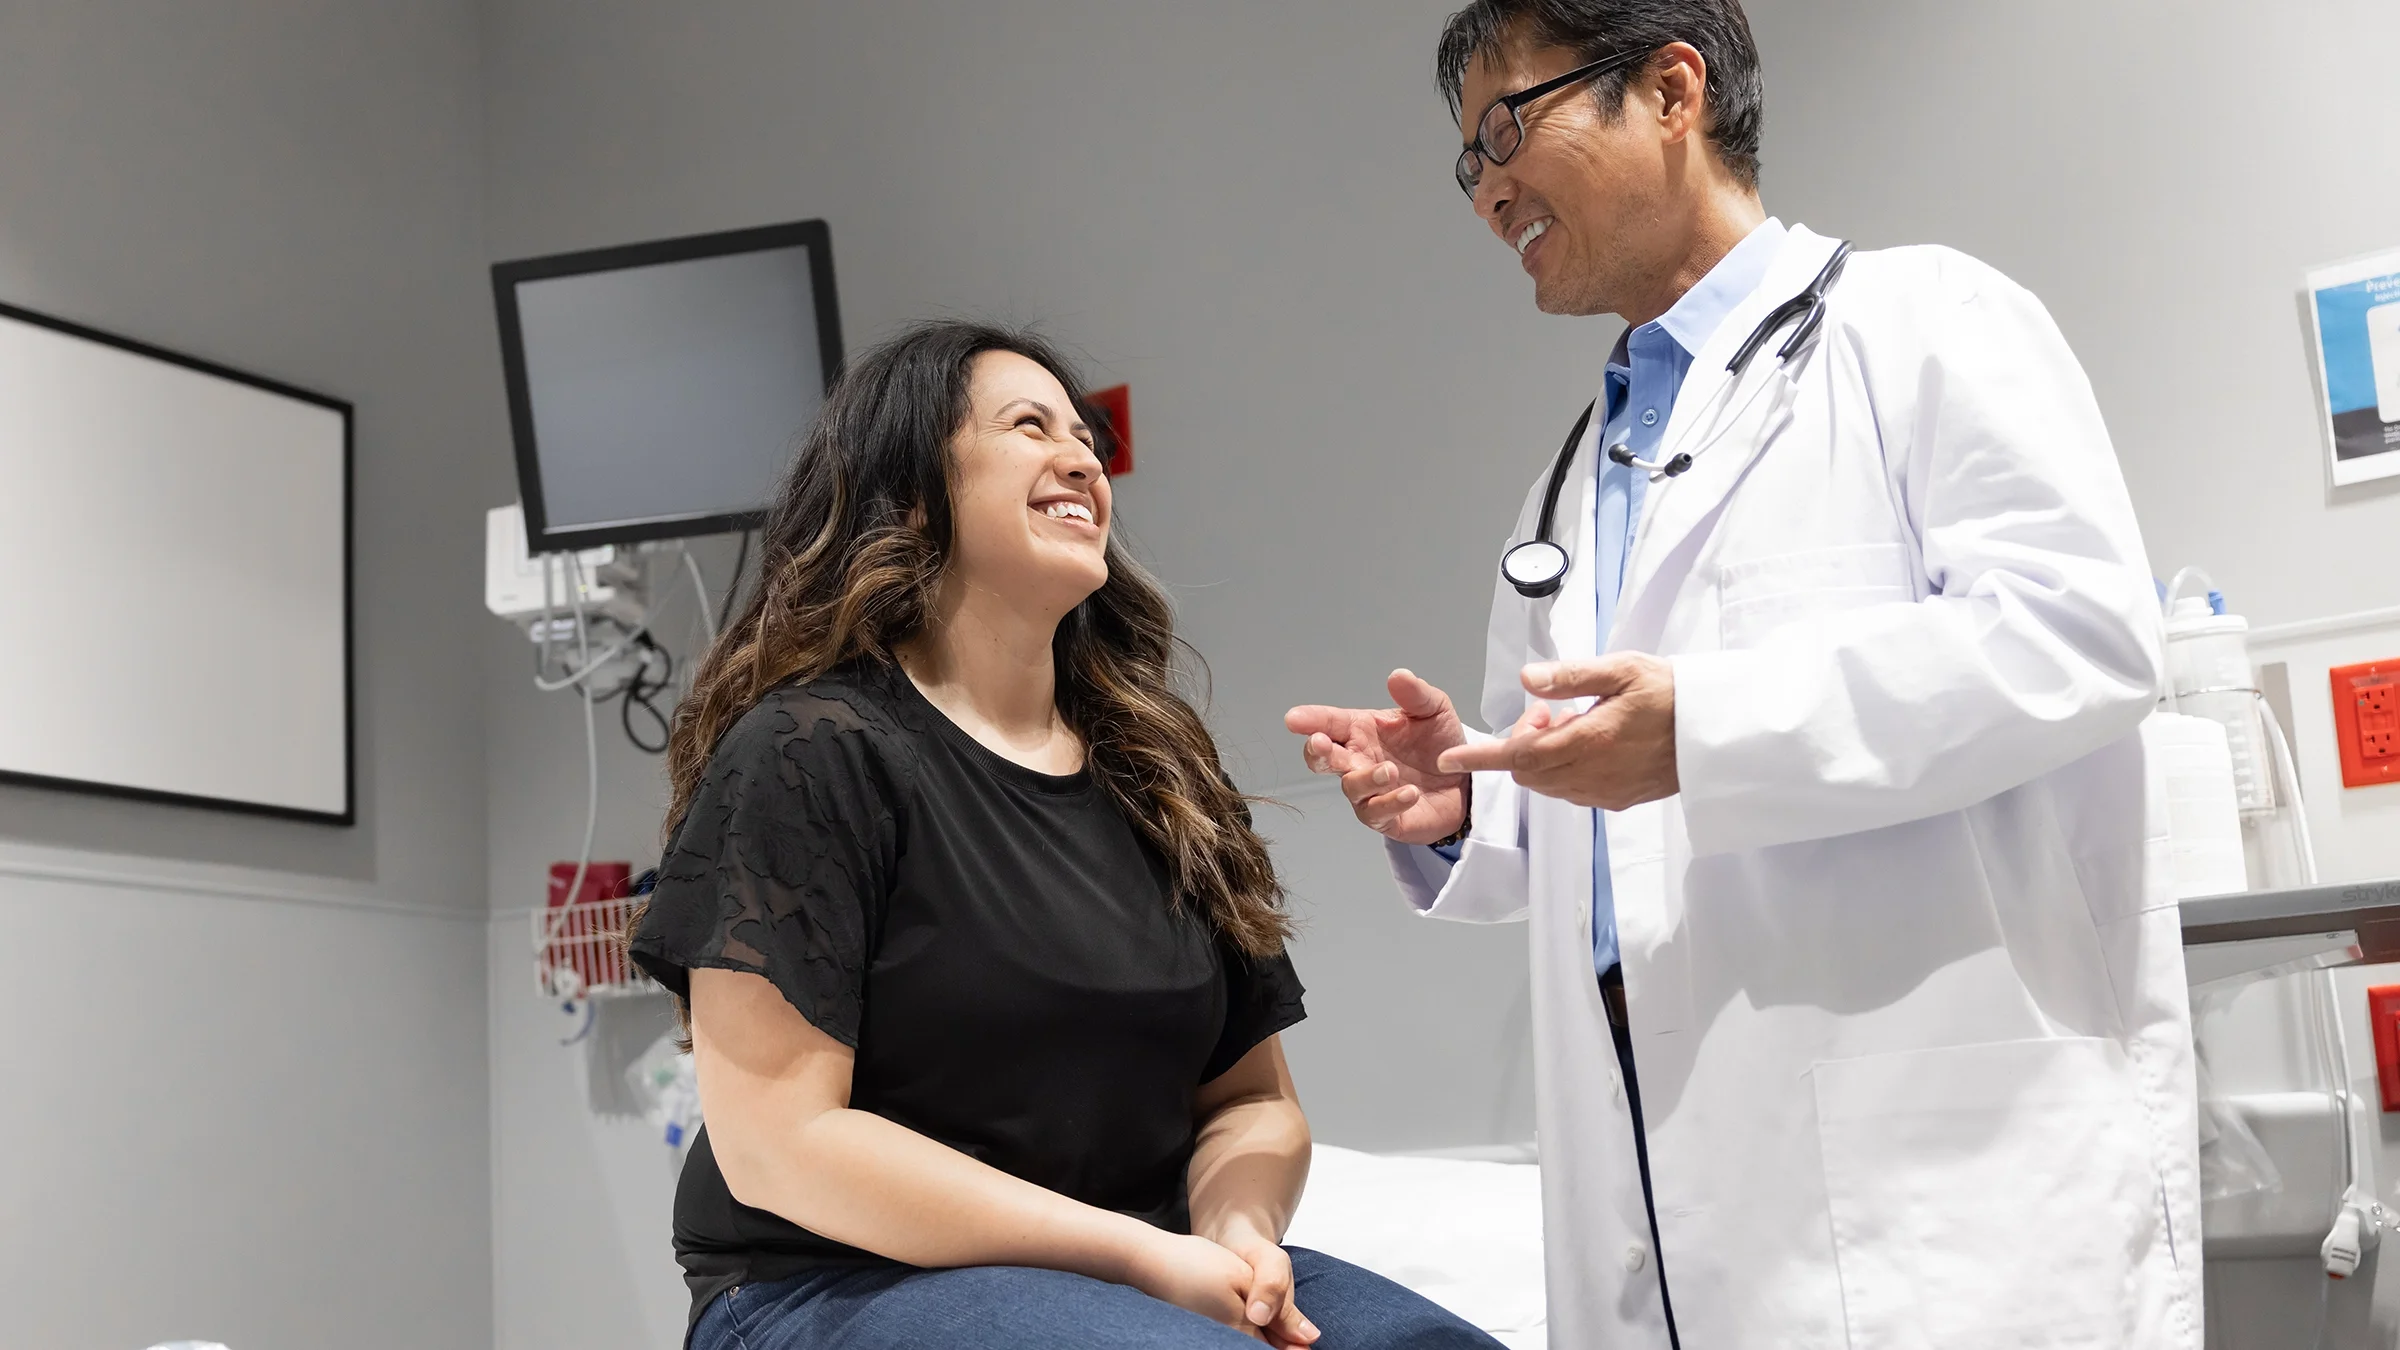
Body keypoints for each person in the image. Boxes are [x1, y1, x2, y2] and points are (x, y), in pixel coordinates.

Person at [1285, 4, 2200, 1347]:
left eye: (1506, 126)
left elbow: (2083, 634)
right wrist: (1471, 802)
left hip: (1941, 1191)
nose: (1485, 188)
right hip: (1673, 1197)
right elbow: (1607, 826)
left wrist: (1706, 728)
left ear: (1671, 90)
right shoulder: (1569, 481)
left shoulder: (1921, 325)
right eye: (1463, 160)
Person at [627, 320, 1504, 1350]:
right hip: (834, 1285)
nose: (1081, 455)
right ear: (912, 494)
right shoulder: (810, 753)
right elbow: (784, 1144)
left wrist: (1237, 1232)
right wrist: (1135, 1257)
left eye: (1085, 435)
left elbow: (1253, 1100)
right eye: (1028, 426)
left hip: (1143, 1264)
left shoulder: (1160, 772)